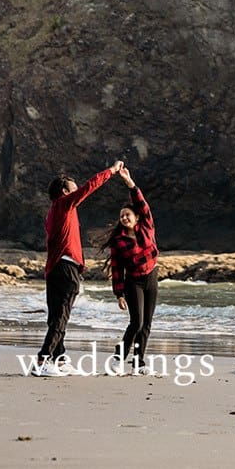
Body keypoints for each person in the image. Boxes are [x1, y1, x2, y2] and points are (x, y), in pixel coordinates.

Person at [33, 159, 123, 377]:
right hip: (65, 267)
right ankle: (42, 360)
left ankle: (60, 360)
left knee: (56, 316)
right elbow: (89, 187)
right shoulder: (64, 204)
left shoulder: (53, 212)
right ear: (65, 191)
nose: (77, 190)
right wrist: (111, 170)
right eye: (73, 188)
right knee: (61, 316)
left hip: (54, 268)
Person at [104, 165, 160, 374]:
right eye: (121, 216)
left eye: (127, 214)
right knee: (136, 323)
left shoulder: (147, 226)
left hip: (151, 276)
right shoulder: (118, 241)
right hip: (133, 282)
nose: (124, 218)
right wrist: (119, 294)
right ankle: (119, 358)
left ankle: (139, 363)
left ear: (136, 217)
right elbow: (117, 268)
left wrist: (130, 183)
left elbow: (142, 204)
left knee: (147, 324)